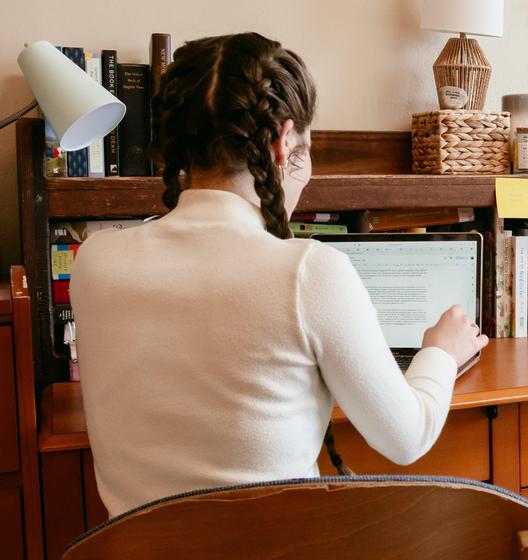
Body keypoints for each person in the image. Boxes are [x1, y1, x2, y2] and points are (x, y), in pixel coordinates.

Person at [70, 32, 488, 517]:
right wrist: (441, 351)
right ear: (283, 140)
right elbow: (407, 437)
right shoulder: (311, 271)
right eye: (303, 150)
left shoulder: (95, 261)